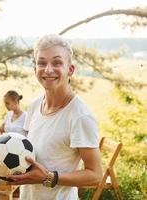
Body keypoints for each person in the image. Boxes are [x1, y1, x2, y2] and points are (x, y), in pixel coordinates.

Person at [7, 34, 103, 200]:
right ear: (35, 69)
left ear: (70, 69)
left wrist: (49, 177)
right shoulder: (35, 105)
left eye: (57, 62)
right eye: (42, 63)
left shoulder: (80, 116)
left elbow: (95, 175)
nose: (48, 69)